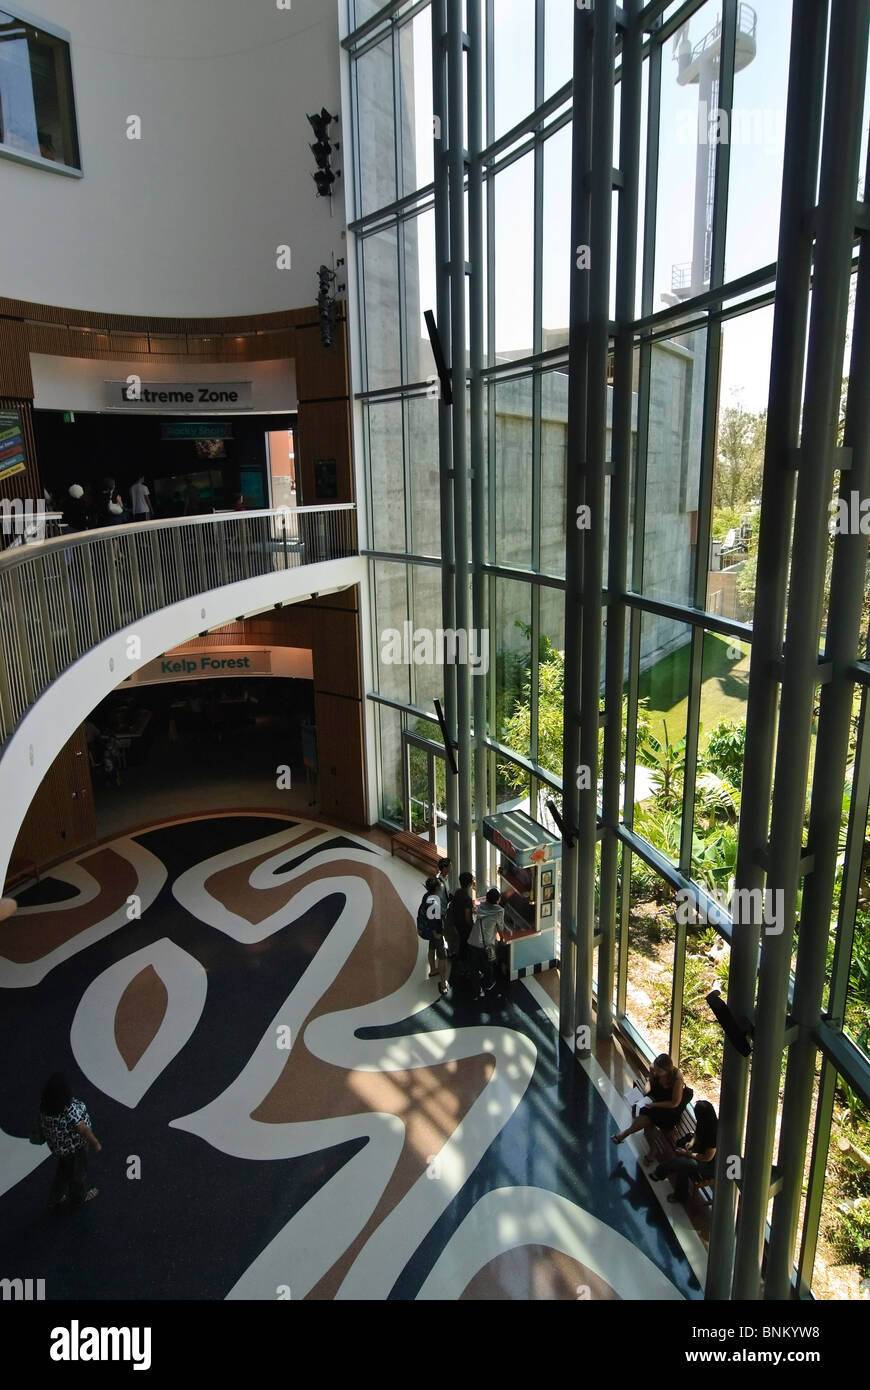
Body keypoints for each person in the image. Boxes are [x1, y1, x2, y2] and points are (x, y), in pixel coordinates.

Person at [38, 1073, 101, 1208]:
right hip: (76, 1150)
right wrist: (95, 1143)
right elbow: (83, 1130)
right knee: (78, 1175)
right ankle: (78, 1199)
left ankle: (55, 1197)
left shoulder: (45, 1107)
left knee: (63, 1173)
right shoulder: (69, 1110)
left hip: (60, 1149)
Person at [611, 1054, 691, 1154]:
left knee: (648, 1117)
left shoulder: (677, 1080)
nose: (656, 1072)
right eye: (655, 1069)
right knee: (647, 1116)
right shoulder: (654, 1068)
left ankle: (627, 1135)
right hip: (657, 1096)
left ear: (667, 1071)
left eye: (659, 1071)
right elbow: (650, 1081)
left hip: (669, 1106)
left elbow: (674, 1103)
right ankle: (647, 1146)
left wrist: (654, 1105)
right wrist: (646, 1092)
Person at [650, 1099, 718, 1204]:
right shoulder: (705, 1121)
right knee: (682, 1154)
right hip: (699, 1150)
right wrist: (691, 1142)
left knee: (682, 1164)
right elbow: (697, 1133)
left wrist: (687, 1154)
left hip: (709, 1165)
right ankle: (679, 1195)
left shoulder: (714, 1132)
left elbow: (707, 1157)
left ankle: (660, 1172)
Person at [467, 886, 504, 998]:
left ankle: (476, 992)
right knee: (488, 965)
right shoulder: (499, 911)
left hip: (473, 941)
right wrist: (502, 939)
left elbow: (474, 911)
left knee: (474, 969)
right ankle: (488, 984)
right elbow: (500, 927)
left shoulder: (481, 906)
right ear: (497, 899)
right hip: (486, 944)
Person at [416, 875, 449, 996]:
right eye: (439, 884)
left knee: (431, 948)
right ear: (436, 888)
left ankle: (433, 970)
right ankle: (443, 983)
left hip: (425, 930)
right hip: (434, 932)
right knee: (442, 956)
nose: (440, 885)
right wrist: (437, 934)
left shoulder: (426, 896)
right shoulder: (434, 901)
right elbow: (433, 920)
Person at [445, 869, 475, 958]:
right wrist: (473, 926)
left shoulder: (458, 892)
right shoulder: (468, 899)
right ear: (470, 883)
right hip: (463, 928)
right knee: (463, 947)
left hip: (455, 924)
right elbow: (467, 918)